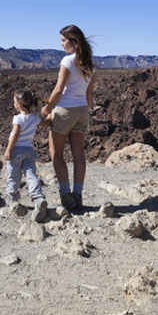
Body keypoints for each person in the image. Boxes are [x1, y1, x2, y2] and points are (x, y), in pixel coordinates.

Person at [40, 25, 97, 210]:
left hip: (65, 111)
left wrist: (47, 108)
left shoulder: (68, 61)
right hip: (82, 111)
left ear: (73, 41)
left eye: (64, 40)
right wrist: (84, 110)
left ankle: (66, 197)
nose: (61, 44)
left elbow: (58, 89)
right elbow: (89, 94)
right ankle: (78, 196)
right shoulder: (90, 64)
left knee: (56, 154)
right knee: (79, 155)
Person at [3, 90, 48, 222]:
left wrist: (8, 150)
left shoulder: (17, 118)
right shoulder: (34, 118)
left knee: (14, 176)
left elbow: (15, 135)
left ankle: (12, 198)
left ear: (19, 105)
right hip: (29, 150)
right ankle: (38, 197)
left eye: (14, 102)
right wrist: (50, 115)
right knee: (31, 175)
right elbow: (46, 124)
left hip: (16, 150)